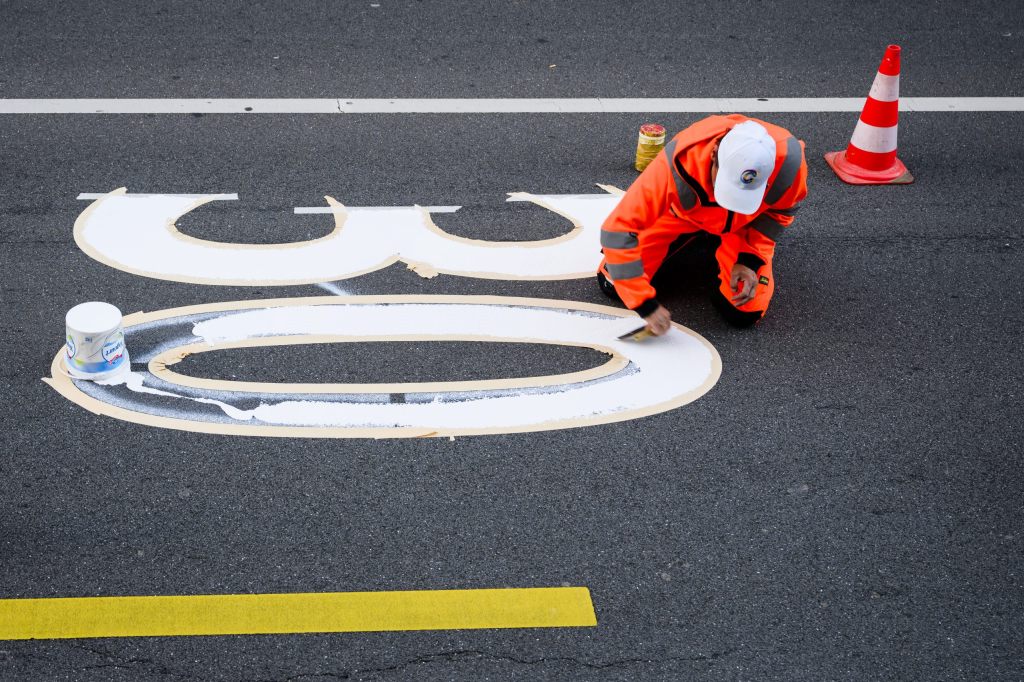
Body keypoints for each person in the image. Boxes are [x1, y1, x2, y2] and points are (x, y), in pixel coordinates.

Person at [598, 114, 808, 331]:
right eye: (726, 185)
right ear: (715, 151)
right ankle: (699, 240)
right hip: (680, 217)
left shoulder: (789, 166)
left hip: (742, 229)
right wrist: (644, 304)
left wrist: (749, 259)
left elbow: (777, 215)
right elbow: (617, 231)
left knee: (744, 312)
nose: (729, 202)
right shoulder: (677, 162)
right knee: (614, 284)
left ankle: (719, 248)